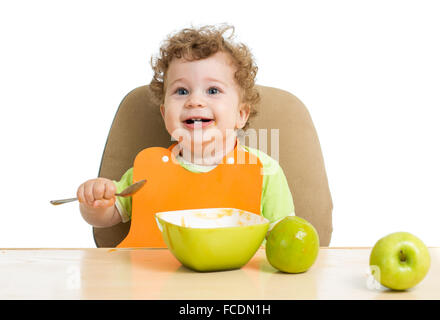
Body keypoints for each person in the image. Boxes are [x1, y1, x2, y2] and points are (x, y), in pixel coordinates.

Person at [77, 24, 295, 247]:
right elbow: (107, 218)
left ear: (241, 114)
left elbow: (285, 238)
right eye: (182, 91)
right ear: (164, 114)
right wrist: (95, 202)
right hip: (153, 279)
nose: (195, 101)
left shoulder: (265, 171)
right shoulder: (146, 171)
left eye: (213, 90)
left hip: (237, 281)